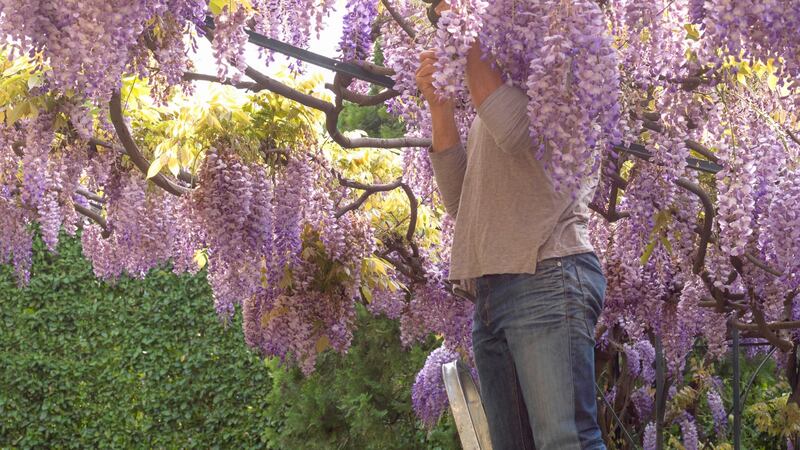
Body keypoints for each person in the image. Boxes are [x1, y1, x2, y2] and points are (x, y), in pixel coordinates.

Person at [414, 3, 608, 450]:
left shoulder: (567, 67)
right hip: (493, 290)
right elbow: (460, 203)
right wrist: (439, 107)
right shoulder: (500, 93)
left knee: (566, 442)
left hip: (548, 272)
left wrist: (461, 23)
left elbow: (512, 127)